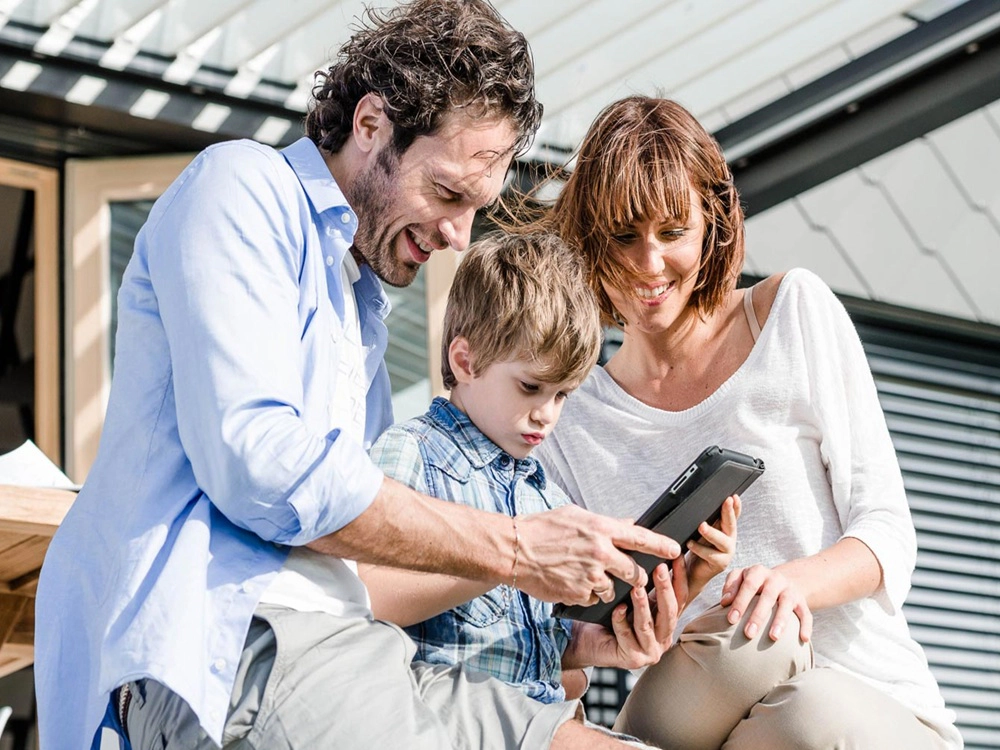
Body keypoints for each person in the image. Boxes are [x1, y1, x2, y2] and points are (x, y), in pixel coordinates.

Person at [34, 6, 684, 748]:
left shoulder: (358, 305)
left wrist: (577, 645)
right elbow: (261, 463)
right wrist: (514, 548)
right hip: (238, 648)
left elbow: (358, 573)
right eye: (446, 194)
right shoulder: (241, 188)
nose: (456, 237)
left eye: (475, 208)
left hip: (348, 648)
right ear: (371, 124)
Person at [533, 95, 963, 750]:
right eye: (624, 236)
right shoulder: (575, 419)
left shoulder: (790, 312)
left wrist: (789, 583)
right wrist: (631, 628)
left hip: (871, 701)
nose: (650, 265)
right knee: (749, 650)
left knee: (804, 704)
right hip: (711, 690)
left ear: (712, 223)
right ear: (591, 240)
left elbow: (887, 530)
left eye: (672, 232)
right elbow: (562, 628)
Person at [358, 231, 740, 717]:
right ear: (465, 360)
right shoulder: (410, 455)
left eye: (562, 395)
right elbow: (363, 595)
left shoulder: (547, 498)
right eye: (531, 386)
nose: (546, 414)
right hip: (447, 720)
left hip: (539, 718)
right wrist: (507, 559)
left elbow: (531, 640)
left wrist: (602, 646)